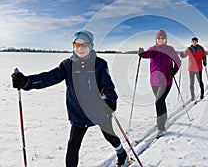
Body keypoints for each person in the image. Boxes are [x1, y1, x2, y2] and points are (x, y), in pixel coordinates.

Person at [11, 30, 129, 167]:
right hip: (78, 112)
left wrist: (110, 100)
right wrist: (26, 82)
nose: (80, 48)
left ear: (91, 45)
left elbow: (107, 85)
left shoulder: (100, 64)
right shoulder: (67, 65)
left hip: (99, 109)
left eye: (83, 45)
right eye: (76, 45)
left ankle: (121, 153)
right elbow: (49, 77)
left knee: (109, 135)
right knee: (73, 144)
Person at [138, 30, 181, 137]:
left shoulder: (170, 49)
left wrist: (174, 70)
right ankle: (164, 117)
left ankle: (160, 127)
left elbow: (178, 61)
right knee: (161, 101)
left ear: (166, 39)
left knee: (158, 101)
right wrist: (141, 53)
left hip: (167, 79)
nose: (161, 40)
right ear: (156, 40)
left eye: (163, 38)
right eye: (159, 38)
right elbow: (146, 55)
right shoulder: (153, 49)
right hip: (154, 81)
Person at [180, 37, 207, 101]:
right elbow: (184, 55)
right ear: (191, 42)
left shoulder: (201, 48)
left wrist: (205, 61)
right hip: (191, 68)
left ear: (197, 42)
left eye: (195, 41)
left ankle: (202, 94)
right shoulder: (189, 49)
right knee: (191, 83)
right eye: (193, 41)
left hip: (199, 68)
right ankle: (192, 96)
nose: (194, 42)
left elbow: (204, 55)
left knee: (200, 81)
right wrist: (182, 55)